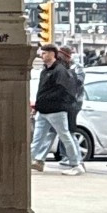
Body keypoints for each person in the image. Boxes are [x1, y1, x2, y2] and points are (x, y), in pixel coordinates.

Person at [31, 45, 84, 174]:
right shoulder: (45, 71)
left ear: (52, 54)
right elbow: (41, 91)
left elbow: (63, 90)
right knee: (38, 138)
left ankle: (76, 164)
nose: (41, 55)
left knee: (65, 136)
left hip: (56, 110)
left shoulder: (60, 71)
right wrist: (38, 106)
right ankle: (30, 160)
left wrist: (47, 102)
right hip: (44, 110)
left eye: (44, 53)